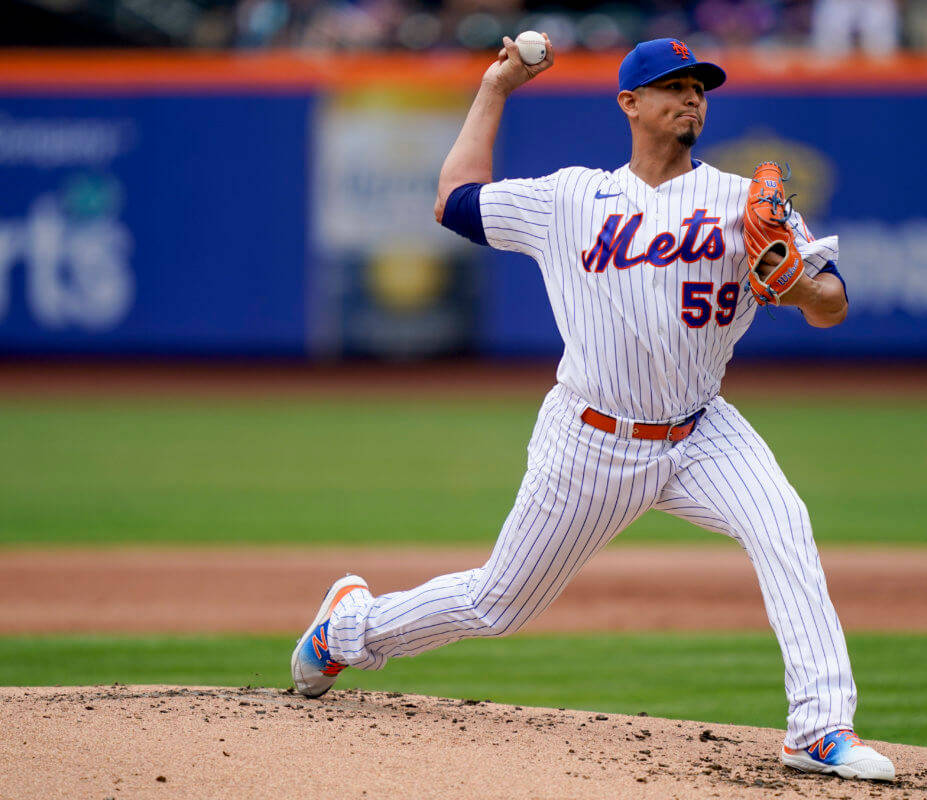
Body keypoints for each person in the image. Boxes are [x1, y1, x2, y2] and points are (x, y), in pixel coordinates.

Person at [291, 35, 895, 782]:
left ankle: (819, 728)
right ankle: (347, 628)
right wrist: (495, 89)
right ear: (630, 103)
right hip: (591, 438)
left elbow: (833, 302)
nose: (691, 98)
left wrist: (799, 285)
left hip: (701, 430)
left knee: (784, 526)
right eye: (674, 86)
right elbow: (453, 200)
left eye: (700, 87)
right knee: (496, 603)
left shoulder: (743, 202)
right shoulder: (571, 198)